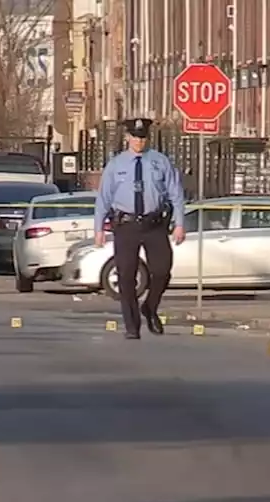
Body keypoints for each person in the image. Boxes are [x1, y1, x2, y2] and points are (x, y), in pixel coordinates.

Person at [93, 118, 186, 339]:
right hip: (126, 226)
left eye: (142, 137)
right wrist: (99, 228)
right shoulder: (116, 165)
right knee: (126, 276)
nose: (139, 141)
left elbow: (176, 193)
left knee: (162, 270)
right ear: (127, 138)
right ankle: (131, 326)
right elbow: (104, 198)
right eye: (135, 137)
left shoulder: (160, 161)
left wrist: (180, 224)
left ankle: (150, 307)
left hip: (154, 224)